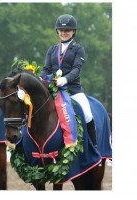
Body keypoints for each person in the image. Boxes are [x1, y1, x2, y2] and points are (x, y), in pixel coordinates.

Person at [41, 14, 98, 147]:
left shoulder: (78, 49)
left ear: (73, 31)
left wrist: (65, 79)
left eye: (67, 30)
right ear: (57, 31)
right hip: (53, 90)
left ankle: (94, 147)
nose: (64, 32)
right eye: (61, 30)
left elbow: (76, 69)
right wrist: (41, 78)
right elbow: (46, 68)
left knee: (88, 114)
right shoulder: (52, 49)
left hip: (73, 90)